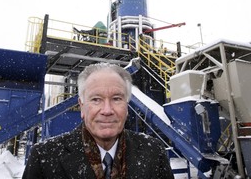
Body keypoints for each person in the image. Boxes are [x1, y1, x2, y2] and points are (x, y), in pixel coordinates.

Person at [22, 63, 174, 179]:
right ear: (82, 106)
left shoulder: (154, 152)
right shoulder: (44, 157)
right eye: (96, 99)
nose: (107, 110)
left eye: (116, 99)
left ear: (127, 106)